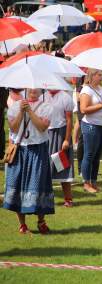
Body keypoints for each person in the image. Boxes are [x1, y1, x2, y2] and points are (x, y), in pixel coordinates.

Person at [4, 89, 53, 234]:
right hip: (20, 150)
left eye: (36, 89)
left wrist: (30, 111)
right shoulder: (15, 106)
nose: (33, 91)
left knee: (38, 185)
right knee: (17, 185)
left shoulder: (46, 107)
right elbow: (13, 127)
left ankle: (41, 221)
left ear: (40, 91)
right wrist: (21, 111)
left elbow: (42, 127)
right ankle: (22, 224)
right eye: (30, 88)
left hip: (38, 150)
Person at [80, 69, 102, 193]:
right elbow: (84, 109)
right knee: (89, 155)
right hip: (91, 125)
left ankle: (93, 181)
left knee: (97, 156)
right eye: (99, 75)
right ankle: (86, 183)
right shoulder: (86, 90)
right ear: (92, 76)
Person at [46, 90, 75, 207]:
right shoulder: (43, 95)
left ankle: (68, 199)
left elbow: (69, 120)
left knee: (61, 166)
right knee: (45, 168)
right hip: (45, 133)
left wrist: (67, 139)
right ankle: (46, 198)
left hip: (61, 134)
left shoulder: (65, 97)